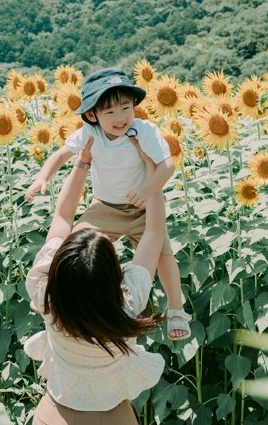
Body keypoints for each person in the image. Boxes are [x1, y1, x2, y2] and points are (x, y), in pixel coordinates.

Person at [26, 68, 191, 340]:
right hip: (105, 206)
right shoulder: (90, 134)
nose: (121, 117)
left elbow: (167, 166)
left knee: (163, 255)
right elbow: (62, 153)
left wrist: (148, 190)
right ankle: (60, 292)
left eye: (126, 107)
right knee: (77, 247)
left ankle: (176, 307)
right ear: (93, 115)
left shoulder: (144, 130)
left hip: (142, 207)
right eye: (110, 112)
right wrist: (42, 176)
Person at [26, 134, 165, 424]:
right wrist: (153, 173)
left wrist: (82, 162)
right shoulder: (127, 302)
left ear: (60, 267)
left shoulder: (44, 292)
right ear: (113, 273)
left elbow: (63, 217)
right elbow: (153, 234)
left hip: (55, 416)